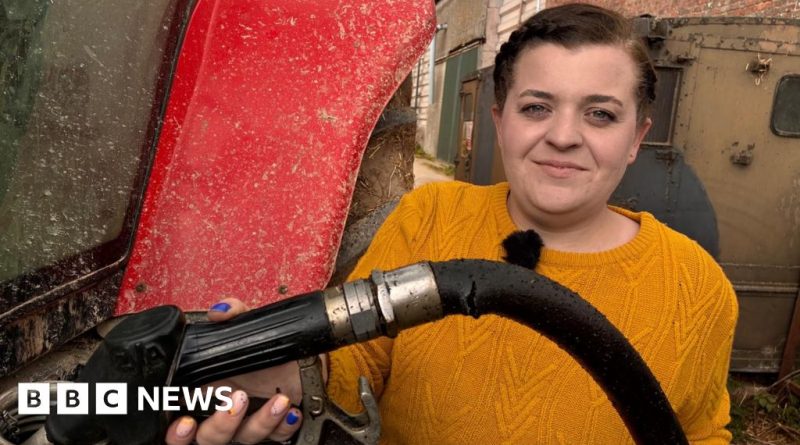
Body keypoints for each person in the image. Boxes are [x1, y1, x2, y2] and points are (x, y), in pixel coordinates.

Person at [166, 3, 738, 444]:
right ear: (500, 119)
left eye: (601, 114)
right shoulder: (429, 218)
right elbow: (347, 373)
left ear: (637, 136)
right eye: (536, 107)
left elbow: (699, 432)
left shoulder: (695, 284)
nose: (563, 136)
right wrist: (260, 366)